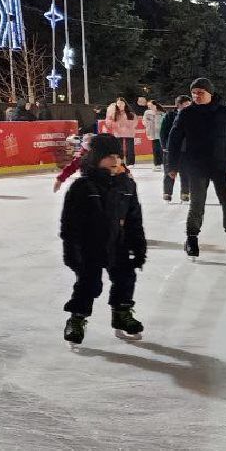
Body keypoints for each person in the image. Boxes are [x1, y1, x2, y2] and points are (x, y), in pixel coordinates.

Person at [59, 133, 146, 346]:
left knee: (126, 279)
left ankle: (122, 313)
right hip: (89, 246)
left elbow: (134, 219)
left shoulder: (126, 185)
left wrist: (138, 246)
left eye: (117, 155)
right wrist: (72, 251)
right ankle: (77, 318)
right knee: (88, 284)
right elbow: (69, 225)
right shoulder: (82, 187)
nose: (115, 160)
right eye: (109, 155)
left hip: (118, 243)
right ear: (97, 157)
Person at [166, 77, 226, 257]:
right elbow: (174, 139)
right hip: (196, 166)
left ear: (210, 93)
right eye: (193, 93)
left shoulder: (225, 113)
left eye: (200, 92)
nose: (196, 96)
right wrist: (172, 165)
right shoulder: (186, 114)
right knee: (196, 204)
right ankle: (191, 238)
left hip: (222, 166)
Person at [159, 95, 191, 203]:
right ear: (179, 105)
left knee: (185, 172)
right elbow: (163, 132)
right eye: (186, 105)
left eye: (189, 104)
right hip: (171, 150)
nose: (188, 107)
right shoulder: (170, 116)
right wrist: (164, 146)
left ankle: (185, 193)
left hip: (186, 150)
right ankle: (167, 193)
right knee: (169, 171)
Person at [141, 100, 165, 171]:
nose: (149, 107)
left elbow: (164, 122)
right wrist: (148, 125)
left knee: (160, 149)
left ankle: (160, 163)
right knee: (155, 149)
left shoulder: (162, 113)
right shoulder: (147, 112)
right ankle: (157, 164)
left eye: (151, 105)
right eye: (148, 106)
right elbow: (144, 121)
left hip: (160, 133)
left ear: (155, 105)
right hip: (152, 133)